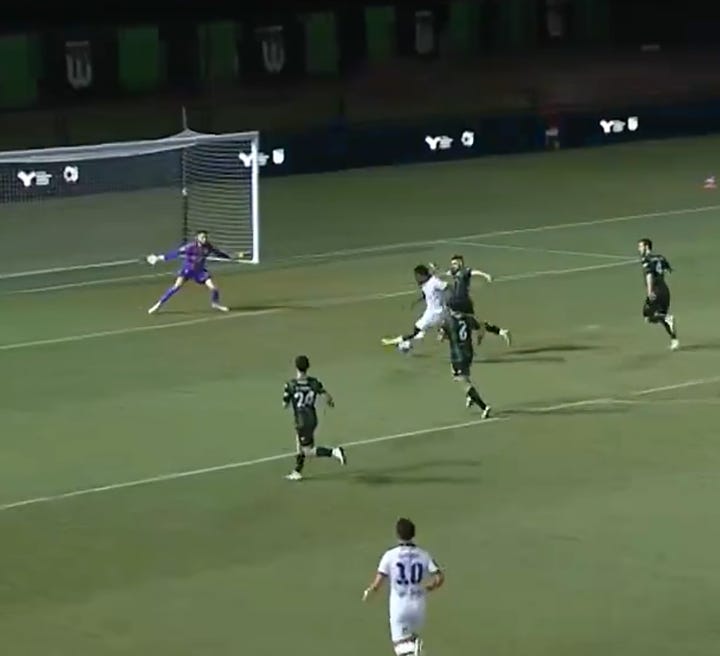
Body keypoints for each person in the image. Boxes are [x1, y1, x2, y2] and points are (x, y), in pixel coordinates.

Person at [362, 517, 444, 656]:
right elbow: (439, 577)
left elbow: (378, 583)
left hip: (399, 606)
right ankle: (414, 648)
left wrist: (369, 591)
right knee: (408, 639)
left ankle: (415, 651)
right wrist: (430, 587)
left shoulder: (390, 556)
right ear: (414, 534)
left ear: (397, 535)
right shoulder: (423, 555)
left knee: (400, 646)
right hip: (418, 606)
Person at [282, 355, 346, 481]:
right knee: (298, 443)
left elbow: (285, 404)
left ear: (296, 367)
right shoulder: (314, 382)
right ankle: (297, 471)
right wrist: (330, 402)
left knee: (308, 451)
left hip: (302, 421)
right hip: (311, 418)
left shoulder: (290, 385)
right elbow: (327, 395)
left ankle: (333, 452)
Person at [146, 230, 234, 314]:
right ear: (197, 238)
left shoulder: (208, 247)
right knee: (176, 287)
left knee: (214, 288)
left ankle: (215, 304)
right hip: (187, 270)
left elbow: (218, 253)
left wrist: (229, 257)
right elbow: (175, 253)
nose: (205, 239)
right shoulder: (190, 247)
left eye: (206, 237)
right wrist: (159, 258)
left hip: (200, 272)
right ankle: (158, 305)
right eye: (202, 237)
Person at [382, 264, 448, 351]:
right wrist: (417, 301)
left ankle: (397, 342)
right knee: (420, 331)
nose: (416, 278)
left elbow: (446, 286)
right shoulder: (426, 283)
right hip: (433, 312)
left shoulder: (434, 282)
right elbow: (427, 294)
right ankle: (443, 332)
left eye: (417, 276)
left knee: (416, 329)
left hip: (435, 313)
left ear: (422, 275)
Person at [637, 238, 678, 350]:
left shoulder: (646, 260)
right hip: (665, 290)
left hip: (656, 291)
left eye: (640, 246)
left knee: (647, 315)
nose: (639, 249)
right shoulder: (660, 257)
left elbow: (649, 276)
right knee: (661, 318)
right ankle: (674, 340)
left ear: (646, 247)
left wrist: (650, 293)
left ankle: (667, 318)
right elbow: (669, 270)